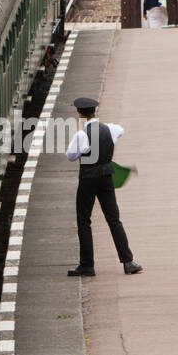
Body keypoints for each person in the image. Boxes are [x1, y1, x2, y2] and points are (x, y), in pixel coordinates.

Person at [64, 96, 142, 277]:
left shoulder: (81, 135)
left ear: (80, 114)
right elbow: (121, 130)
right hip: (106, 177)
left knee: (84, 220)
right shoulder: (111, 129)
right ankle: (128, 262)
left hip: (88, 179)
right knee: (114, 219)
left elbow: (70, 156)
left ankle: (87, 265)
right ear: (95, 111)